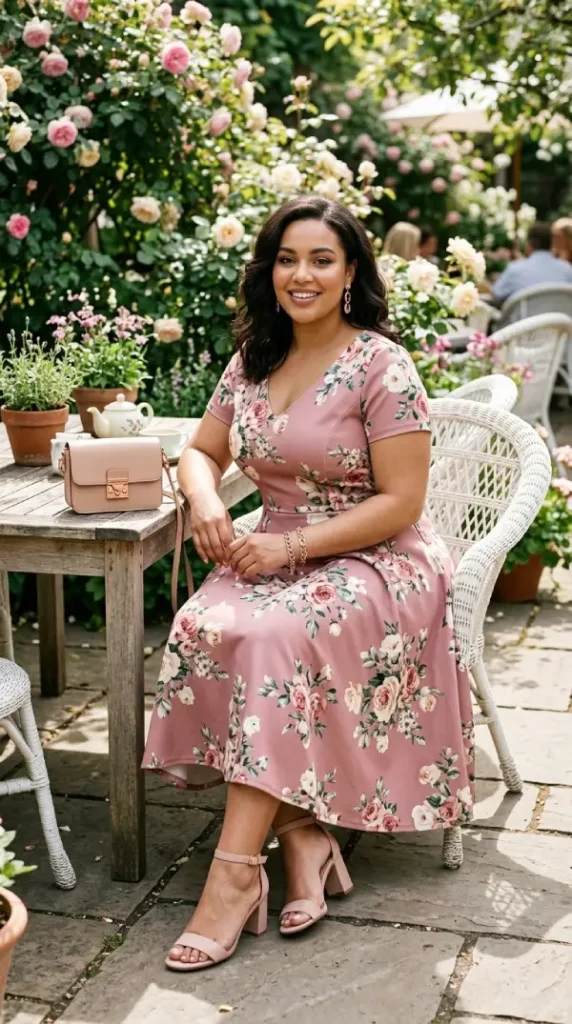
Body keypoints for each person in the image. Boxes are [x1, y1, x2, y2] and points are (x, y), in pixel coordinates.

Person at [143, 195, 475, 972]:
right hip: (276, 550)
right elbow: (200, 450)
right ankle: (304, 838)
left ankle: (231, 881)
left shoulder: (381, 364)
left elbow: (403, 502)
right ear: (270, 271)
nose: (303, 274)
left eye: (322, 260)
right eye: (288, 259)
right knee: (203, 622)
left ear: (351, 271)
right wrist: (201, 500)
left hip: (377, 558)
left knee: (270, 636)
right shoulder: (254, 357)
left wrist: (290, 546)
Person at [491, 221, 572, 305]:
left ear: (529, 244)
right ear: (552, 244)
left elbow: (496, 293)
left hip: (525, 318)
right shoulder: (568, 270)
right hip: (561, 317)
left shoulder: (515, 269)